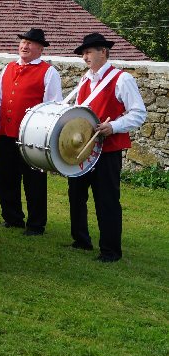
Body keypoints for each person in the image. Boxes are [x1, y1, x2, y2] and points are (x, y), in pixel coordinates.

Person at [67, 33, 146, 262]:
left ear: (103, 52)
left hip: (108, 150)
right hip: (83, 149)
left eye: (88, 52)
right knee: (76, 195)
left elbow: (139, 113)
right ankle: (81, 240)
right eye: (83, 53)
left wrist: (114, 126)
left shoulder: (122, 79)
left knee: (107, 200)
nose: (85, 57)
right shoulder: (85, 79)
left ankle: (110, 251)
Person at [0, 28, 62, 235]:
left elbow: (53, 106)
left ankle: (36, 224)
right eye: (23, 42)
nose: (25, 46)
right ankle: (12, 218)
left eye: (30, 43)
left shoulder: (48, 72)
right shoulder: (8, 68)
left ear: (40, 49)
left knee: (34, 181)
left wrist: (46, 136)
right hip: (6, 132)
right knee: (6, 178)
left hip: (33, 136)